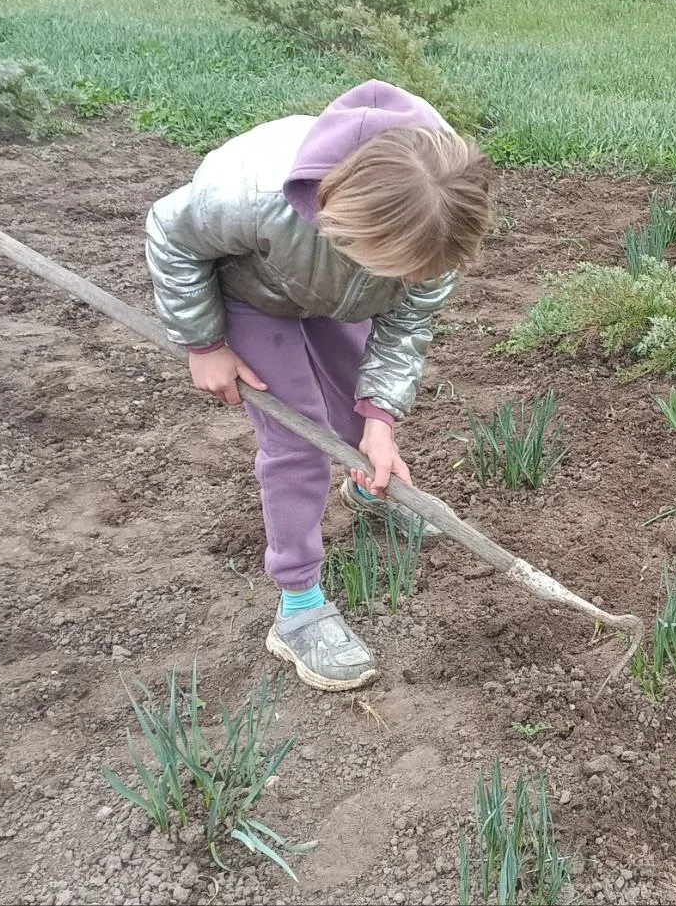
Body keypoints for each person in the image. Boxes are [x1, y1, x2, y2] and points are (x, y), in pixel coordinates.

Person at [145, 81, 494, 692]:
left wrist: (381, 421)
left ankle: (371, 492)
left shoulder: (437, 228)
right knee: (298, 444)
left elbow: (405, 327)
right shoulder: (252, 196)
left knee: (357, 418)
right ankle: (299, 605)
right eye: (404, 265)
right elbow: (172, 234)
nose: (419, 278)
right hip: (254, 290)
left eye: (426, 269)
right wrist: (204, 344)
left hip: (343, 294)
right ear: (344, 218)